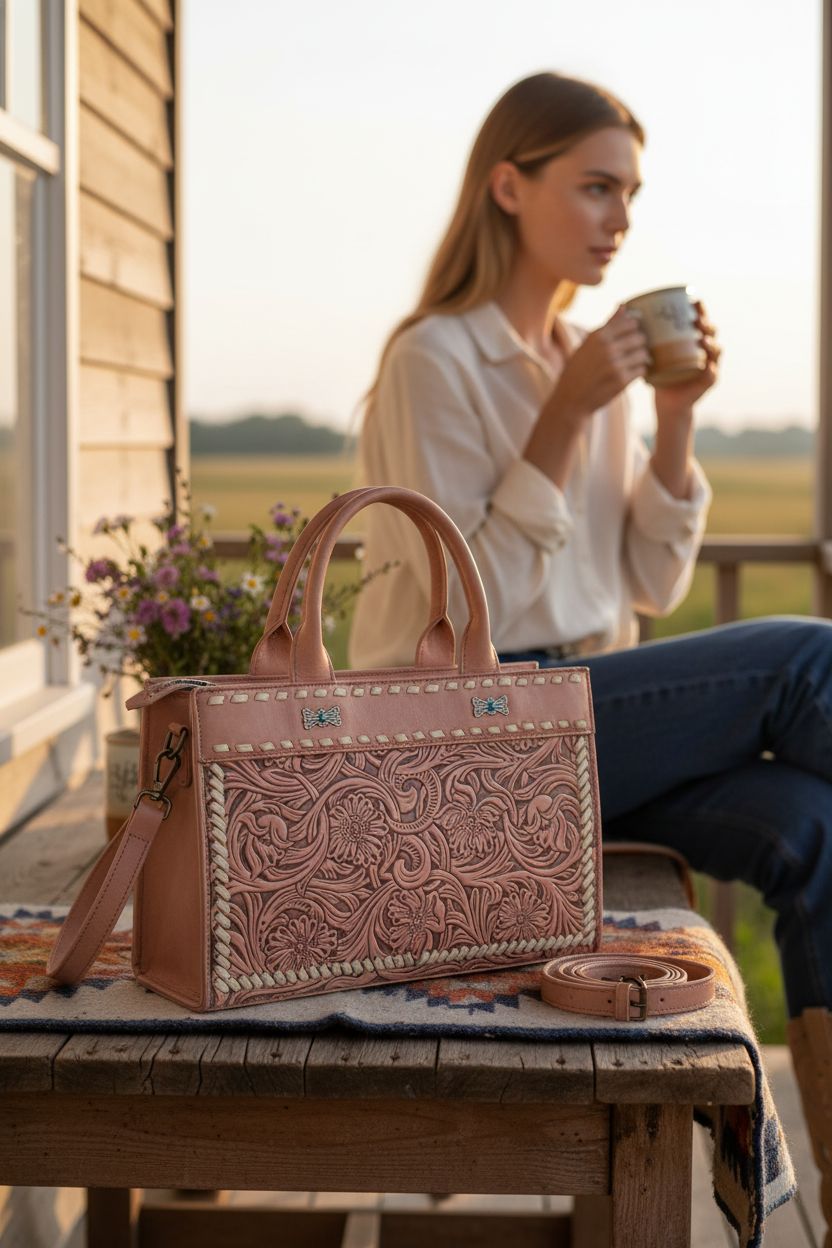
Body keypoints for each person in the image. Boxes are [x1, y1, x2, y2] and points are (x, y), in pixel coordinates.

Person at [347, 71, 832, 1232]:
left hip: (586, 730)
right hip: (464, 740)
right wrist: (561, 414)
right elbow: (468, 611)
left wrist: (673, 417)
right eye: (596, 187)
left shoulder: (596, 364)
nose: (619, 218)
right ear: (508, 186)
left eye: (630, 194)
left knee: (816, 828)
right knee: (801, 662)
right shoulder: (435, 360)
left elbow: (648, 583)